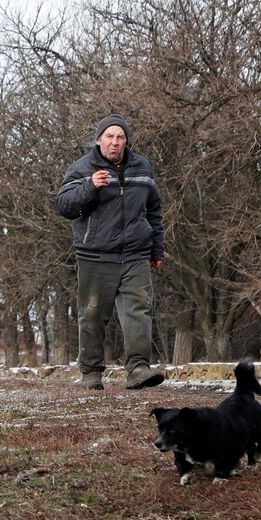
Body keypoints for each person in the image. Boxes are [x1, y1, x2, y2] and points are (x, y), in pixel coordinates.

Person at [55, 114, 165, 390]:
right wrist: (90, 185)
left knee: (138, 312)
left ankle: (138, 369)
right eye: (109, 136)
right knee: (92, 315)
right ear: (99, 139)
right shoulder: (82, 169)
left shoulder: (142, 168)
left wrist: (157, 249)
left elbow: (154, 211)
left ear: (126, 141)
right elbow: (66, 206)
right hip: (96, 255)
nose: (115, 142)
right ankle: (91, 372)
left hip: (135, 255)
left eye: (120, 137)